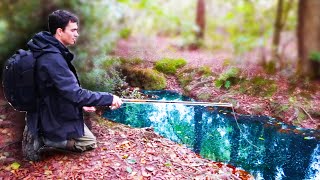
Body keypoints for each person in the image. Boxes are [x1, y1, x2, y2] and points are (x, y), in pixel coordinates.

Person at [22, 9, 123, 161]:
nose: (77, 34)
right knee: (89, 142)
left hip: (53, 106)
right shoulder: (52, 58)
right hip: (50, 113)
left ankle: (43, 133)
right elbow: (75, 94)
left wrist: (81, 105)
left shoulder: (50, 50)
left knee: (86, 136)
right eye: (73, 30)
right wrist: (109, 98)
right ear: (60, 31)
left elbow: (61, 90)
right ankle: (43, 138)